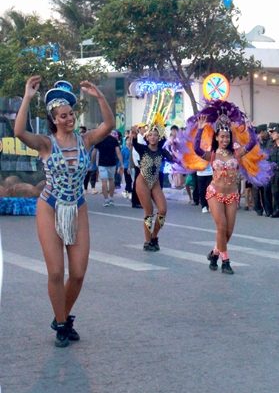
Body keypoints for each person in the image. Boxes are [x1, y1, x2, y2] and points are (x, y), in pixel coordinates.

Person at [14, 77, 114, 347]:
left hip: (77, 207)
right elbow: (20, 132)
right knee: (56, 272)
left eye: (71, 114)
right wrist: (27, 97)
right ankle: (62, 324)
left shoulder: (86, 140)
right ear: (54, 119)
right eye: (64, 115)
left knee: (78, 273)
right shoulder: (46, 144)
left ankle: (62, 314)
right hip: (50, 206)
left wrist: (100, 97)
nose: (70, 118)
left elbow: (109, 125)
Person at [171, 100, 273, 273]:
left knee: (229, 231)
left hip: (232, 195)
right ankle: (225, 262)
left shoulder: (237, 153)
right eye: (222, 137)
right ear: (216, 138)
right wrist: (202, 128)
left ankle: (215, 253)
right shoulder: (211, 154)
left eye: (227, 137)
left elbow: (251, 143)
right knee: (222, 227)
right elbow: (196, 148)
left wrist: (249, 128)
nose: (225, 139)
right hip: (214, 194)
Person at [129, 115, 174, 252]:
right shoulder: (143, 149)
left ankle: (154, 236)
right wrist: (134, 133)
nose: (153, 137)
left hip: (155, 184)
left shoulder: (162, 152)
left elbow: (174, 160)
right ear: (148, 137)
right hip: (142, 182)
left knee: (162, 211)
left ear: (159, 137)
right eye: (151, 135)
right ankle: (147, 241)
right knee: (149, 213)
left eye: (156, 135)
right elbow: (135, 143)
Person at [94, 129, 123, 206]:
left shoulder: (99, 140)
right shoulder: (114, 140)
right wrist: (121, 163)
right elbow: (118, 152)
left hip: (102, 163)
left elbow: (94, 152)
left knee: (104, 181)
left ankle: (106, 200)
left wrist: (91, 162)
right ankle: (111, 198)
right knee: (111, 180)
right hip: (112, 162)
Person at [252, 124, 273, 217]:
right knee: (256, 191)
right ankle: (258, 209)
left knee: (266, 190)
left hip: (265, 169)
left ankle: (267, 209)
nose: (266, 133)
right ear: (261, 132)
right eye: (265, 131)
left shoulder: (267, 141)